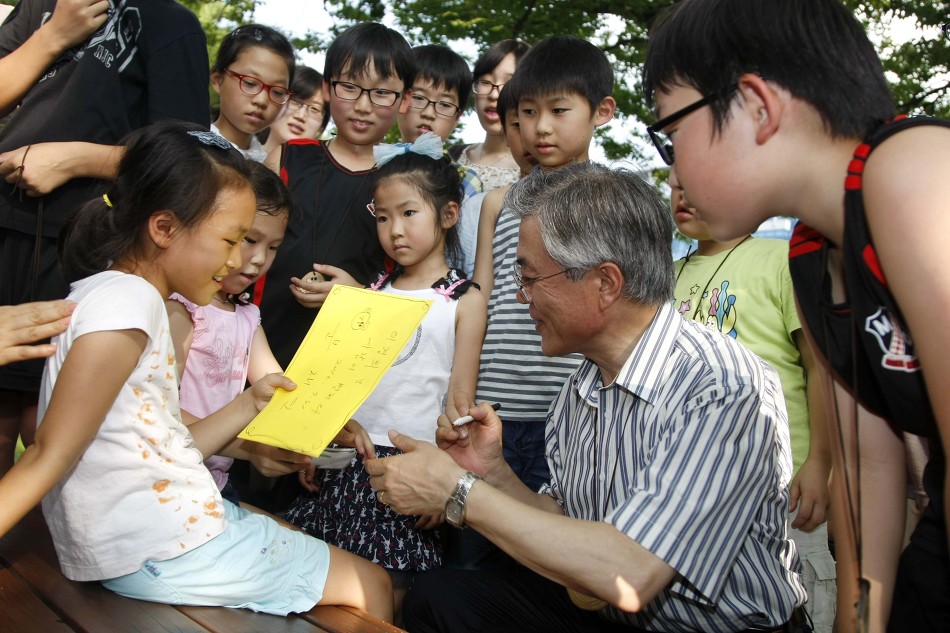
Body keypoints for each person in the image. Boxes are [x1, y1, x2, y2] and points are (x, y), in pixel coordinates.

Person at [365, 162, 806, 632]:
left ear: (605, 283)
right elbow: (564, 519)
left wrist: (457, 492)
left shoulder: (720, 385)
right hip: (613, 613)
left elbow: (630, 574)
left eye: (531, 279)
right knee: (440, 598)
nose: (520, 297)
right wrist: (493, 475)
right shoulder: (581, 386)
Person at [0, 121, 393, 621]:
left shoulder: (113, 292)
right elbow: (47, 455)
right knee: (370, 583)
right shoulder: (131, 306)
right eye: (232, 239)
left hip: (150, 535)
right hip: (159, 545)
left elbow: (161, 443)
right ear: (163, 228)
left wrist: (252, 405)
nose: (239, 260)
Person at [642, 1, 950, 631]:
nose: (672, 165)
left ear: (756, 106)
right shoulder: (813, 256)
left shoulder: (914, 168)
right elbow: (867, 465)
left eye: (671, 132)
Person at [0, 0, 210, 484]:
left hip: (75, 246)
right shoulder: (39, 9)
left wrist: (75, 160)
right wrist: (53, 36)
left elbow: (187, 154)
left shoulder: (169, 23)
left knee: (48, 424)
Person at [285, 134, 487, 619]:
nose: (394, 230)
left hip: (411, 466)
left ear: (448, 214)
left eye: (409, 213)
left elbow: (461, 401)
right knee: (322, 591)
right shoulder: (367, 293)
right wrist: (319, 442)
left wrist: (448, 484)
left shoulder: (464, 300)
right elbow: (343, 381)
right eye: (382, 217)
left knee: (388, 597)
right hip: (347, 457)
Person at [449, 35, 615, 570]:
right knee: (475, 557)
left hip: (572, 415)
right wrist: (460, 390)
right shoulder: (498, 202)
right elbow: (479, 296)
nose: (540, 128)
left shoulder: (611, 200)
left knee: (554, 561)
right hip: (494, 412)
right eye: (526, 113)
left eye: (558, 111)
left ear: (601, 113)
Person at [670, 171, 835, 632]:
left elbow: (819, 367)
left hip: (784, 488)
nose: (682, 195)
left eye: (696, 183)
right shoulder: (666, 274)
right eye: (674, 185)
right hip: (693, 490)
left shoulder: (780, 260)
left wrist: (820, 464)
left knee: (804, 605)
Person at [258, 21, 414, 370]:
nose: (363, 105)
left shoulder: (407, 180)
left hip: (345, 362)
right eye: (350, 87)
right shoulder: (287, 157)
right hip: (259, 340)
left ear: (404, 100)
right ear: (327, 88)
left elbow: (419, 280)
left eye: (382, 92)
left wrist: (359, 296)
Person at [166, 161, 306, 506]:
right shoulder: (182, 309)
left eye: (273, 247)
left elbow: (279, 384)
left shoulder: (245, 315)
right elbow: (161, 414)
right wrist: (250, 447)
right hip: (170, 482)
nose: (259, 259)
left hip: (215, 484)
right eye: (249, 240)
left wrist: (322, 420)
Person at [448, 39, 528, 192]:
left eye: (508, 83)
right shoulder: (452, 156)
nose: (493, 94)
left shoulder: (535, 169)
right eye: (485, 81)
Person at [210, 24, 295, 163]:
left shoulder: (270, 168)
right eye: (249, 83)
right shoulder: (187, 150)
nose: (261, 100)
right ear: (218, 80)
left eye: (277, 91)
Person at [260, 66, 330, 157]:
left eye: (314, 109)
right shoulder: (238, 159)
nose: (300, 116)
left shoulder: (322, 171)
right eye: (295, 101)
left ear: (321, 127)